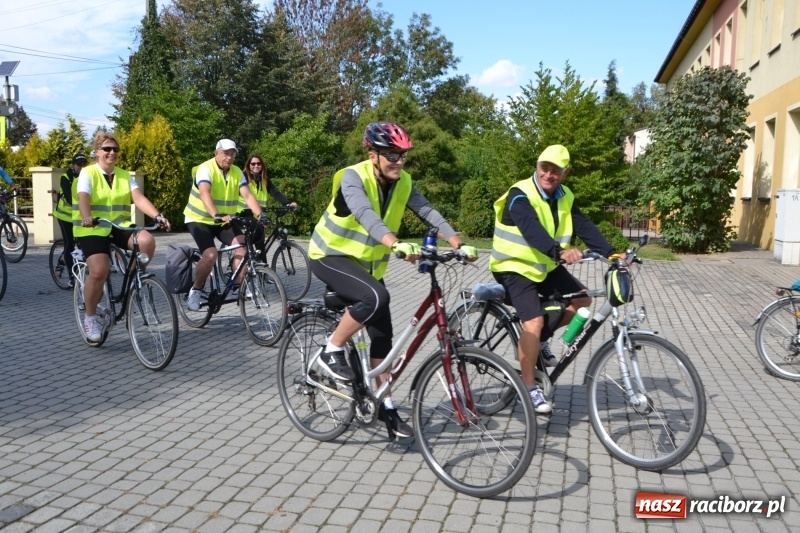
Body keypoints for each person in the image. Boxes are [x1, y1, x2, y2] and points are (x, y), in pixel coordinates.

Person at [308, 121, 478, 439]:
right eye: (390, 155)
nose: (397, 161)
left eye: (401, 155)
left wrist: (457, 243)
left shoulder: (403, 181)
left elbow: (427, 211)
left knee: (383, 339)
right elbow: (364, 214)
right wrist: (394, 242)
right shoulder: (352, 177)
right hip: (330, 255)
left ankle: (385, 408)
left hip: (369, 267)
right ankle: (331, 350)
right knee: (374, 298)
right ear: (373, 154)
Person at [490, 144, 624, 414]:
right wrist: (559, 252)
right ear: (537, 167)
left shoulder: (566, 196)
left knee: (582, 300)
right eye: (544, 168)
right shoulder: (520, 194)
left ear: (566, 173)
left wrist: (611, 253)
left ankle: (539, 340)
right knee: (534, 321)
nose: (549, 175)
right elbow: (530, 228)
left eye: (556, 171)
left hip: (544, 266)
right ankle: (529, 389)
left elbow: (583, 224)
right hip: (513, 267)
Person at [74, 132, 171, 343]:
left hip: (119, 225)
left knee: (146, 240)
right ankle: (90, 317)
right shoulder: (88, 173)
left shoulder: (125, 175)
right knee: (99, 271)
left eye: (115, 149)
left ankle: (133, 281)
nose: (111, 153)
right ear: (97, 152)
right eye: (107, 149)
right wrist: (86, 216)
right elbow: (83, 197)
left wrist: (157, 216)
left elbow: (138, 198)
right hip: (93, 228)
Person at [183, 139, 269, 312]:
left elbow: (248, 195)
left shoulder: (237, 172)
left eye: (232, 153)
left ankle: (239, 284)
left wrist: (261, 215)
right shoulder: (205, 169)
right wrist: (215, 214)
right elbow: (205, 193)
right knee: (210, 255)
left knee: (243, 246)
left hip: (224, 220)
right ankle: (196, 289)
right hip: (199, 219)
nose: (229, 157)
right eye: (225, 153)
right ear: (216, 153)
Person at [52, 153, 88, 287]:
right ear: (73, 165)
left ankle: (62, 263)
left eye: (84, 165)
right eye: (79, 165)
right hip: (65, 216)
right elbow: (69, 198)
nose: (81, 167)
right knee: (70, 244)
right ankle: (72, 277)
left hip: (78, 216)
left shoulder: (87, 177)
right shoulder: (66, 177)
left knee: (82, 243)